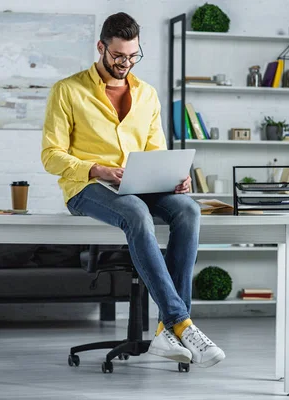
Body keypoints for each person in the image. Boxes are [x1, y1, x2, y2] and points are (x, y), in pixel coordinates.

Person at [41, 12, 225, 368]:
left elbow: (155, 151)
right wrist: (95, 167)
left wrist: (174, 177)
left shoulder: (147, 95)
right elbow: (51, 155)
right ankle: (180, 323)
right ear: (101, 47)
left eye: (132, 56)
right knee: (136, 212)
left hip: (139, 185)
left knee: (188, 209)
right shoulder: (67, 90)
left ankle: (165, 333)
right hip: (87, 186)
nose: (125, 63)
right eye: (118, 56)